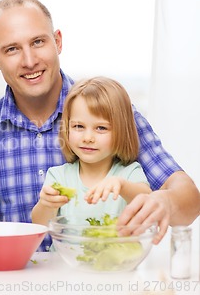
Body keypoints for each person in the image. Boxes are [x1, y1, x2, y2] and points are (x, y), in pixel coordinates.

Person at [0, 0, 199, 250]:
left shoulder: (110, 112)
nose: (29, 60)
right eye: (12, 49)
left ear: (57, 41)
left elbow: (189, 199)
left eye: (38, 42)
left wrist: (167, 202)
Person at [31, 77, 151, 226]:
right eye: (78, 127)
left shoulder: (129, 174)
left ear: (121, 131)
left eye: (101, 128)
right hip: (65, 250)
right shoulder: (59, 176)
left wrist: (122, 186)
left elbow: (147, 201)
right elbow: (39, 224)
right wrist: (46, 204)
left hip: (117, 250)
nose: (87, 138)